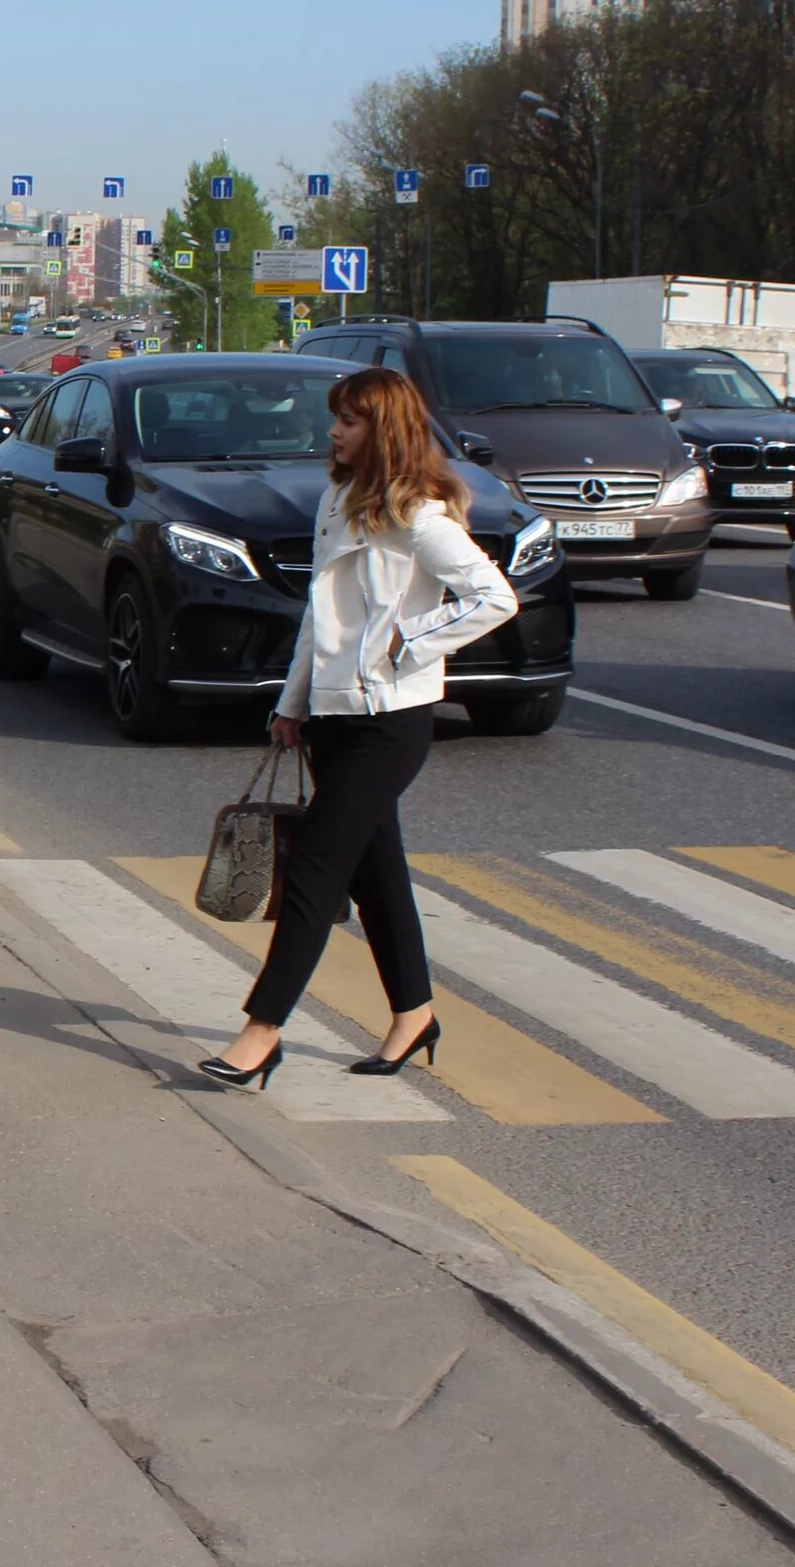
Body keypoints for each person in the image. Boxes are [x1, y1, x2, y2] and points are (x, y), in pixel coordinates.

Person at [199, 366, 517, 1090]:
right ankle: (414, 1014)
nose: (334, 432)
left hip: (390, 720)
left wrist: (412, 639)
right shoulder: (340, 499)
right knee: (378, 876)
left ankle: (261, 1031)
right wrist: (292, 703)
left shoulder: (421, 515)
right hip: (334, 716)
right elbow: (323, 611)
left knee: (314, 866)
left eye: (348, 421)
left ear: (384, 431)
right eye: (336, 419)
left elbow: (492, 598)